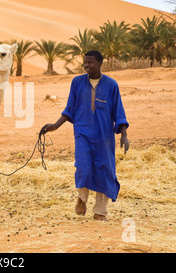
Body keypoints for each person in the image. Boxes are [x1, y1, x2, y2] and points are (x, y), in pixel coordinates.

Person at [40, 50, 129, 221]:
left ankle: (100, 211)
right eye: (85, 62)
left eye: (90, 62)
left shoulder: (111, 85)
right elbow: (70, 109)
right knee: (83, 166)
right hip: (82, 133)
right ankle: (81, 198)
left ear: (100, 63)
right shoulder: (77, 82)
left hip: (104, 137)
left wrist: (124, 135)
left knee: (105, 170)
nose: (87, 66)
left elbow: (119, 112)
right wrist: (54, 126)